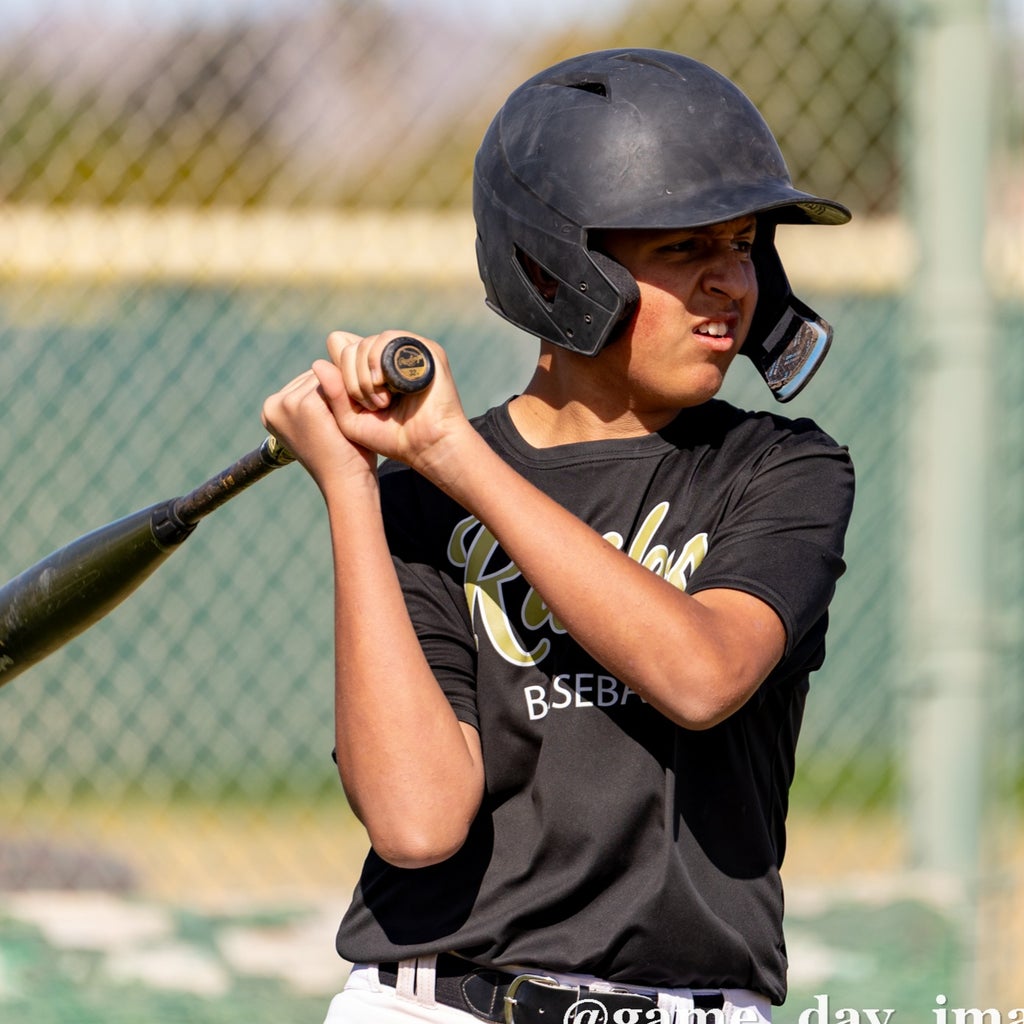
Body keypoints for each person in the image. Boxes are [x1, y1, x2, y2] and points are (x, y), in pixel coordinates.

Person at [262, 48, 855, 1024]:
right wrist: (351, 490)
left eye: (742, 243)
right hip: (435, 1002)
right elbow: (417, 822)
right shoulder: (420, 500)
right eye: (681, 249)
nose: (730, 282)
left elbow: (701, 674)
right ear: (553, 267)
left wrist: (454, 456)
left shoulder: (781, 469)